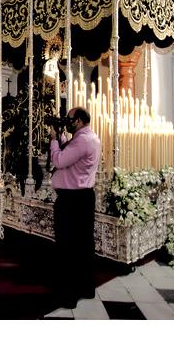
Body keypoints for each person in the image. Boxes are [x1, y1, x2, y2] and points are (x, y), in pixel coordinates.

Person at [48, 106, 101, 309]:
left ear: (78, 120)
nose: (67, 121)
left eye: (69, 119)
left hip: (72, 200)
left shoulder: (82, 140)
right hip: (83, 197)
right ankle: (86, 287)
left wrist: (54, 140)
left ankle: (68, 295)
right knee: (83, 244)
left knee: (67, 246)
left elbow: (59, 160)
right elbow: (70, 155)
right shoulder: (89, 138)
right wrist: (61, 139)